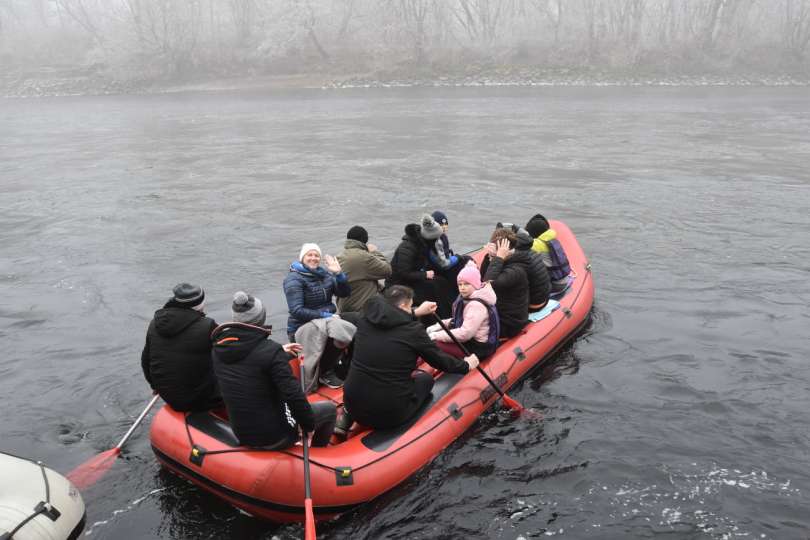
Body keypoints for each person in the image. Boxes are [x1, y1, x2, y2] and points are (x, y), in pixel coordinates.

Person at [341, 286, 479, 433]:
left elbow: (390, 316)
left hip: (351, 403)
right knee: (425, 379)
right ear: (402, 306)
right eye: (410, 305)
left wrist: (416, 311)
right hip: (389, 413)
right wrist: (466, 365)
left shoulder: (364, 318)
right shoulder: (413, 331)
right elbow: (439, 360)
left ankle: (346, 416)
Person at [212, 291, 336, 448]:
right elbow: (293, 395)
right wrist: (308, 425)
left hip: (242, 432)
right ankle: (319, 452)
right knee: (329, 410)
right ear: (261, 318)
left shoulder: (218, 348)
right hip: (275, 436)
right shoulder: (270, 352)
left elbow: (251, 364)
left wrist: (280, 353)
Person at [141, 283, 221, 412]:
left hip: (167, 395)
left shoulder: (154, 323)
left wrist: (154, 385)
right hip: (201, 399)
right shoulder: (208, 326)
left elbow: (146, 360)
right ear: (200, 304)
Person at [427, 262, 499, 360]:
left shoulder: (476, 305)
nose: (462, 288)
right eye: (460, 284)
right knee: (438, 336)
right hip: (470, 341)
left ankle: (456, 365)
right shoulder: (468, 298)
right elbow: (460, 319)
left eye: (466, 284)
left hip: (478, 347)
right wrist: (440, 325)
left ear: (475, 284)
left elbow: (465, 334)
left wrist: (436, 335)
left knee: (435, 343)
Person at [387, 217, 454, 319]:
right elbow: (403, 273)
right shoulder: (407, 247)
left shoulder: (422, 244)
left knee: (441, 282)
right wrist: (425, 274)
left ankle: (450, 314)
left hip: (412, 279)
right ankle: (440, 317)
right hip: (399, 284)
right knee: (433, 289)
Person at [283, 243, 351, 342]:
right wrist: (325, 315)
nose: (313, 258)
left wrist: (339, 274)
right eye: (309, 255)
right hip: (302, 327)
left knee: (351, 330)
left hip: (326, 323)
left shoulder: (324, 274)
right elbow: (297, 311)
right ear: (302, 258)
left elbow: (344, 293)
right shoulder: (294, 279)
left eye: (316, 255)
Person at [480, 228, 530, 338]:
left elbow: (488, 283)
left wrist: (498, 258)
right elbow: (483, 275)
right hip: (499, 313)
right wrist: (490, 257)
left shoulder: (517, 269)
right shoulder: (504, 261)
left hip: (509, 323)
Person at [336, 225, 392, 314]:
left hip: (344, 307)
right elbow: (387, 270)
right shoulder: (365, 257)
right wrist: (375, 252)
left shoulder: (339, 256)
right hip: (362, 309)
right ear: (364, 240)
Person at [295, 316, 357, 391]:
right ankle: (318, 378)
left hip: (331, 328)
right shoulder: (316, 333)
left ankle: (326, 372)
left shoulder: (350, 329)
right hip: (307, 332)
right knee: (310, 361)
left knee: (336, 349)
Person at [525, 214, 572, 295]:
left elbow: (521, 244)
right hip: (563, 280)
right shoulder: (551, 238)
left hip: (554, 285)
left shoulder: (537, 244)